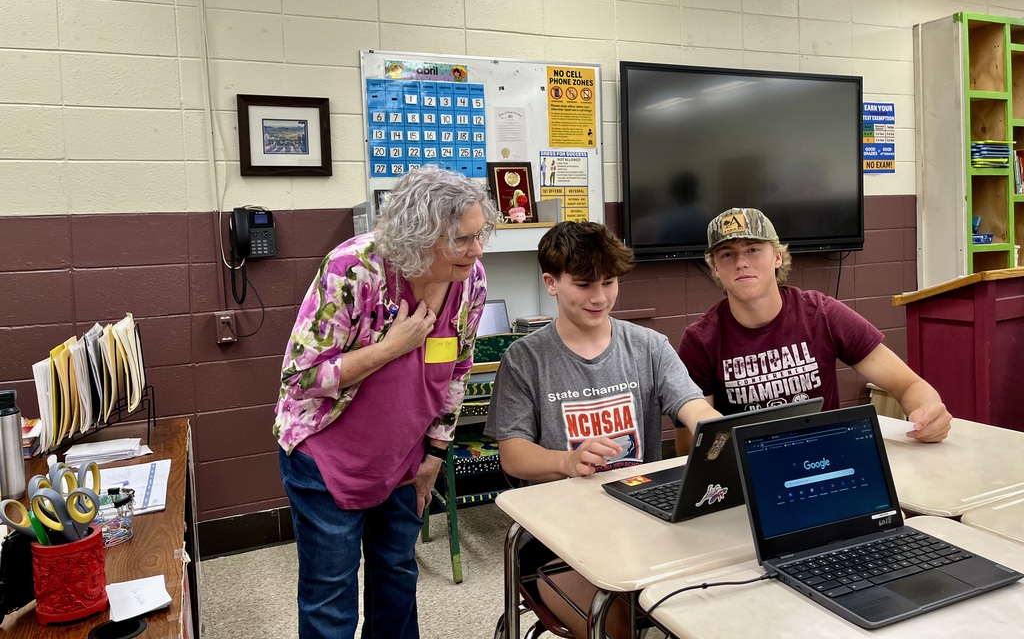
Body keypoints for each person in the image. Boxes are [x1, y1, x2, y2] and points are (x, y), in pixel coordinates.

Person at [274, 165, 498, 639]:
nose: (477, 250)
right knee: (331, 596)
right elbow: (301, 376)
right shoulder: (354, 268)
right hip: (327, 458)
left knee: (396, 579)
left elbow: (458, 370)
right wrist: (391, 347)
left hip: (405, 458)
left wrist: (436, 454)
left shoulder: (471, 279)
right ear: (418, 236)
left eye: (481, 235)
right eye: (462, 239)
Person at [485, 221, 720, 638]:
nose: (599, 297)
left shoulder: (648, 346)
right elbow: (513, 454)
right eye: (583, 284)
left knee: (708, 602)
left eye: (609, 282)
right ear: (551, 283)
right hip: (556, 535)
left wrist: (726, 434)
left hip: (642, 518)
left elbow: (692, 406)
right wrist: (566, 460)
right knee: (620, 624)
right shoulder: (525, 359)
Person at [676, 207, 951, 454]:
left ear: (778, 257)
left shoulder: (822, 314)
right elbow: (689, 446)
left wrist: (928, 414)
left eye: (753, 249)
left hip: (826, 458)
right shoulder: (700, 339)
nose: (741, 262)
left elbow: (909, 385)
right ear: (715, 268)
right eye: (727, 254)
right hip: (747, 470)